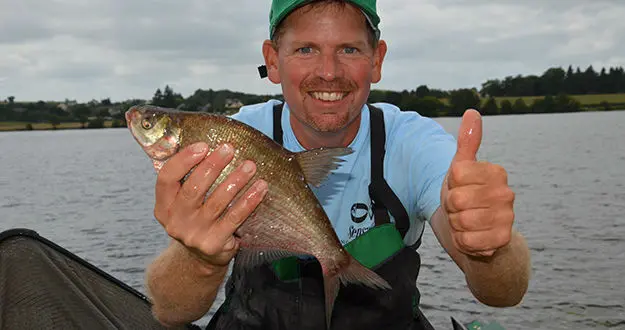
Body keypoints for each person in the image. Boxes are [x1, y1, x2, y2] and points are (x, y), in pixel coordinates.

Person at [144, 0, 531, 329]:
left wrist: (489, 246)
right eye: (305, 49)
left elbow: (504, 293)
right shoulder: (236, 141)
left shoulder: (413, 144)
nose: (328, 72)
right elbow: (170, 310)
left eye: (348, 49)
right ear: (272, 61)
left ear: (376, 60)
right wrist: (200, 258)